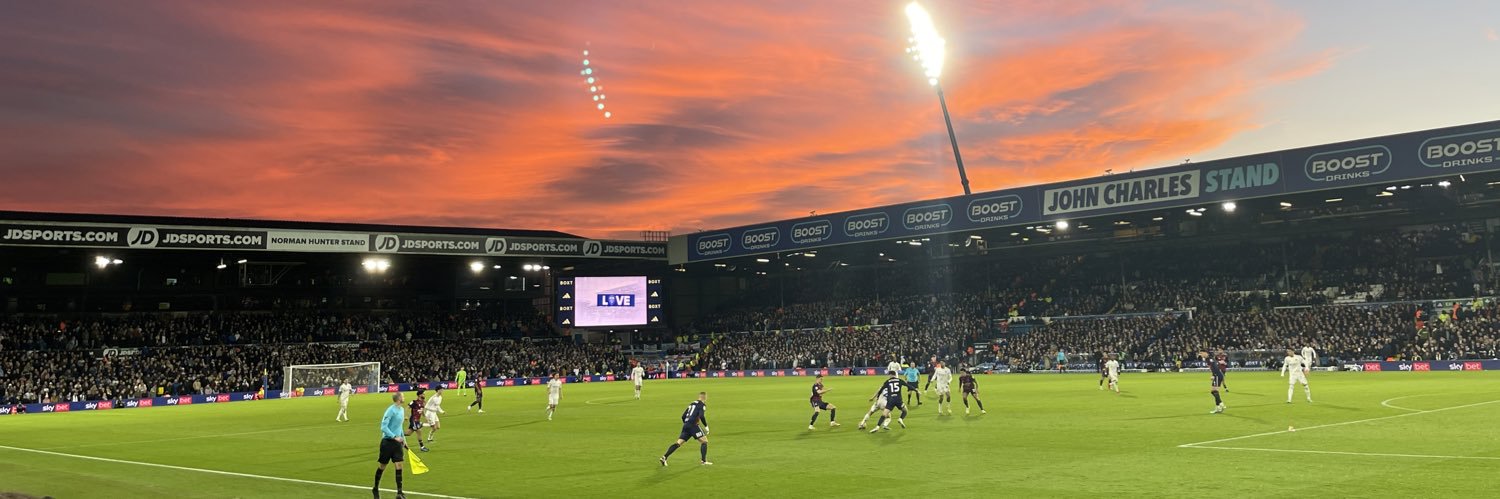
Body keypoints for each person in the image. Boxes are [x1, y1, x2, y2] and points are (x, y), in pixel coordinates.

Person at [660, 392, 711, 467]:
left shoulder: (692, 404)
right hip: (693, 425)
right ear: (705, 398)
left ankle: (664, 457)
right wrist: (706, 426)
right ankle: (703, 461)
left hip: (686, 425)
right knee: (704, 441)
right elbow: (702, 416)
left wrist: (687, 424)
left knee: (678, 443)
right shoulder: (702, 405)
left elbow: (683, 416)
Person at [374, 392, 407, 499]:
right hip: (388, 442)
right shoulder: (390, 410)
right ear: (398, 399)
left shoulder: (401, 410)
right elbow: (383, 427)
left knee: (399, 465)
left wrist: (403, 439)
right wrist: (394, 437)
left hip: (397, 443)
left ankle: (399, 492)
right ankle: (375, 487)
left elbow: (400, 426)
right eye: (403, 396)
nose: (404, 398)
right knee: (382, 466)